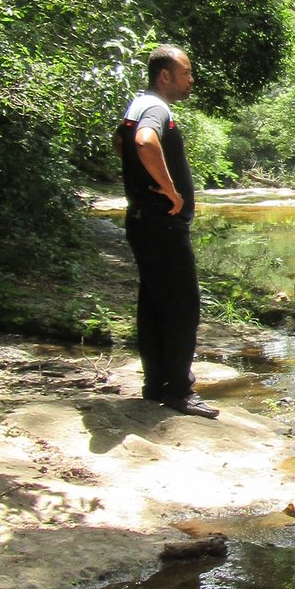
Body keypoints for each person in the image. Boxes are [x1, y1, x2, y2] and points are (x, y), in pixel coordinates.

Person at [114, 45, 218, 418]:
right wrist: (170, 190)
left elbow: (120, 141)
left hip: (144, 221)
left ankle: (155, 384)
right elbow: (144, 142)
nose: (191, 80)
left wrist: (142, 180)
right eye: (185, 73)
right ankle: (178, 390)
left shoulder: (138, 103)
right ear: (165, 76)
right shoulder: (156, 109)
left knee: (154, 303)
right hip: (162, 224)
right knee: (183, 306)